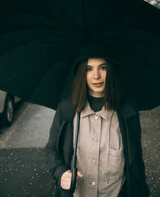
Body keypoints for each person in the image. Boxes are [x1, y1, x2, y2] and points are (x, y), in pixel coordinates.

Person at [46, 52, 149, 197]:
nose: (96, 76)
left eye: (103, 68)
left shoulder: (127, 111)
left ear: (111, 70)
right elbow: (52, 149)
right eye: (89, 69)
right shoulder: (67, 109)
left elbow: (136, 162)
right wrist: (61, 173)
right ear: (82, 73)